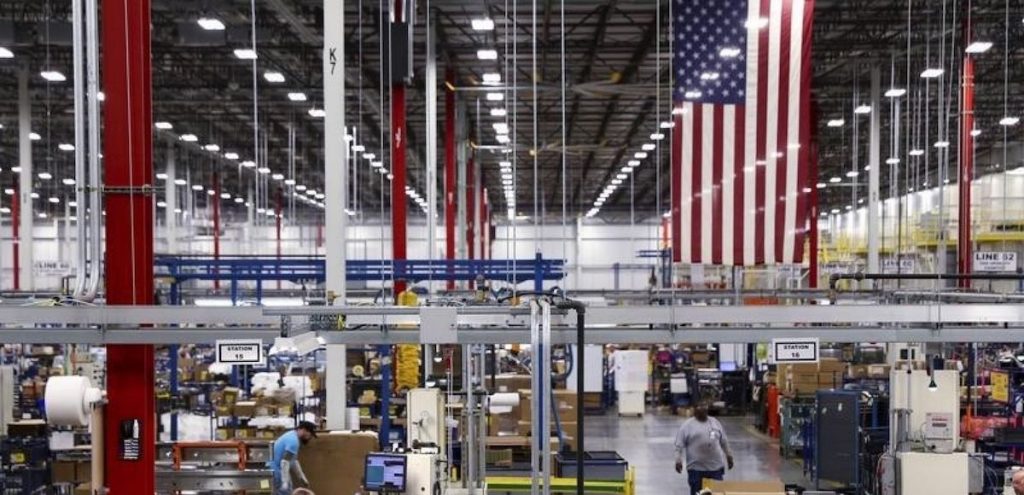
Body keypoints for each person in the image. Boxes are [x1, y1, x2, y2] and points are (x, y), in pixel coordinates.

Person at [674, 404, 734, 495]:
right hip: (696, 470)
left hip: (715, 469)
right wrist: (678, 460)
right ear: (695, 412)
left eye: (705, 411)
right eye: (700, 411)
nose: (703, 413)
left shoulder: (715, 423)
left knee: (716, 493)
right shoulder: (687, 426)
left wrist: (729, 456)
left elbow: (724, 441)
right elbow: (679, 445)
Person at [270, 421, 317, 495]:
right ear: (304, 430)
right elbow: (285, 462)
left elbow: (293, 461)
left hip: (277, 470)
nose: (310, 437)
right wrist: (285, 482)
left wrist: (302, 478)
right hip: (277, 471)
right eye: (310, 434)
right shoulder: (293, 442)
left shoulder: (292, 435)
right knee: (285, 492)